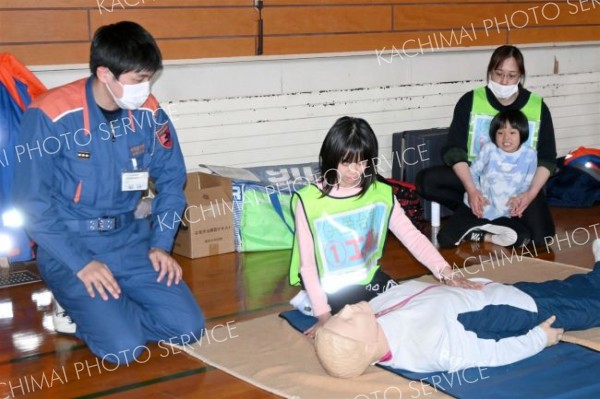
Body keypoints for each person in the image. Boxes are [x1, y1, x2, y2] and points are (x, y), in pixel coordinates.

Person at [13, 21, 204, 364]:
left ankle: (108, 313)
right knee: (124, 350)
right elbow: (32, 204)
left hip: (131, 241)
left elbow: (172, 182)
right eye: (137, 80)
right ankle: (82, 308)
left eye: (149, 77)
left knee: (187, 327)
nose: (145, 89)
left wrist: (161, 244)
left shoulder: (148, 112)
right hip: (69, 247)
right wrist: (80, 264)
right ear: (104, 73)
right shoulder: (51, 114)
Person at [288, 116, 481, 337]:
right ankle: (311, 301)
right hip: (328, 287)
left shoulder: (381, 193)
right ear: (330, 159)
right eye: (346, 163)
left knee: (412, 311)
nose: (354, 171)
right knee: (360, 329)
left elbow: (413, 237)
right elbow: (308, 266)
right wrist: (324, 315)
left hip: (368, 279)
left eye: (361, 163)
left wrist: (448, 274)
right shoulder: (308, 201)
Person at [314, 239, 600, 378]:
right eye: (347, 320)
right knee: (588, 307)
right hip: (518, 312)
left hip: (492, 293)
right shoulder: (425, 349)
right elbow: (490, 354)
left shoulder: (374, 314)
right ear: (366, 348)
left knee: (564, 288)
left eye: (341, 314)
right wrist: (538, 338)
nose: (348, 309)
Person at [416, 45, 557, 245]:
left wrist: (529, 194)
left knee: (542, 238)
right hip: (478, 180)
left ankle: (495, 219)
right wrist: (472, 190)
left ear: (521, 76)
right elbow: (455, 151)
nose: (504, 81)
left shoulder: (537, 106)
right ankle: (478, 211)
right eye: (499, 74)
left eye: (511, 76)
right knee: (427, 180)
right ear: (490, 72)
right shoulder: (470, 100)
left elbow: (547, 159)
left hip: (519, 186)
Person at [437, 110, 536, 248]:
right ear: (494, 134)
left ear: (522, 133)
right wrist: (475, 192)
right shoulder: (489, 149)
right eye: (500, 133)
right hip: (478, 209)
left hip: (503, 213)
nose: (506, 138)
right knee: (445, 240)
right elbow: (473, 172)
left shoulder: (530, 155)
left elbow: (528, 182)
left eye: (512, 133)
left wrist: (518, 198)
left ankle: (481, 235)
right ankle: (475, 225)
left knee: (521, 239)